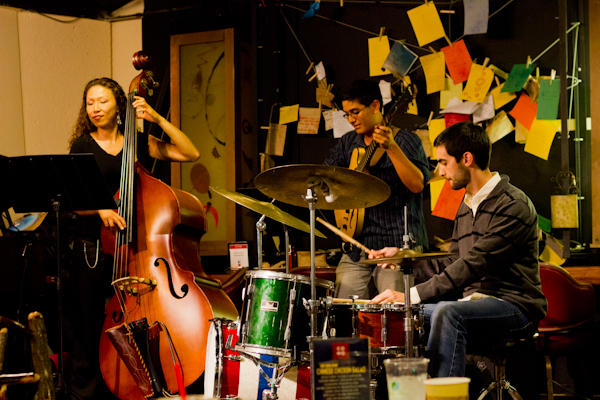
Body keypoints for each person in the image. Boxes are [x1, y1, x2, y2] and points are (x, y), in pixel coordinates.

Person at [370, 121, 547, 377]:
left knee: (446, 312)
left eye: (443, 162)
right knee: (409, 314)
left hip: (516, 307)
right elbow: (454, 261)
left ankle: (444, 394)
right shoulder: (466, 206)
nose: (440, 172)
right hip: (472, 304)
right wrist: (404, 259)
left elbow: (474, 264)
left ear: (466, 158)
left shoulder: (513, 204)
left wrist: (413, 293)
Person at [67, 77, 199, 400]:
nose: (95, 109)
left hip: (135, 252)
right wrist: (101, 210)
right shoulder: (83, 146)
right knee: (88, 328)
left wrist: (157, 119)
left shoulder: (136, 143)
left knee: (133, 322)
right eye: (90, 103)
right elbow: (74, 197)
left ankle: (128, 387)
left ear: (119, 105)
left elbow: (190, 152)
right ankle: (87, 394)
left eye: (102, 102)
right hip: (93, 250)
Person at [324, 79, 430, 299]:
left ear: (375, 105)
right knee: (344, 313)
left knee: (393, 318)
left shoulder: (406, 140)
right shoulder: (347, 143)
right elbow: (325, 179)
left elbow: (418, 185)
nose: (351, 120)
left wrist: (391, 148)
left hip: (397, 249)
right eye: (347, 114)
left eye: (355, 112)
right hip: (356, 248)